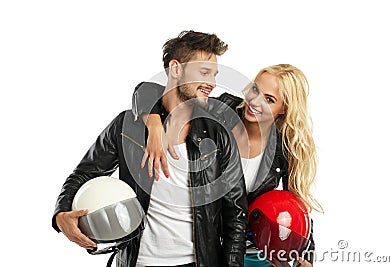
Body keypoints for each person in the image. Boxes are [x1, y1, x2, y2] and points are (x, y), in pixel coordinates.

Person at [52, 30, 248, 267]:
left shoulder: (218, 134)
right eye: (204, 72)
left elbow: (235, 214)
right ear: (176, 69)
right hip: (138, 261)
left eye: (214, 75)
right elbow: (85, 174)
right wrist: (61, 214)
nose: (212, 84)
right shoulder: (128, 127)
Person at [131, 64, 322, 266]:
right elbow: (147, 90)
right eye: (255, 89)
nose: (255, 102)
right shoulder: (220, 111)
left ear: (283, 109)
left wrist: (304, 259)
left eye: (269, 99)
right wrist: (153, 124)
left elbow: (298, 210)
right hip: (210, 247)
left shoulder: (283, 149)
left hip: (257, 252)